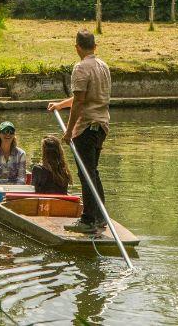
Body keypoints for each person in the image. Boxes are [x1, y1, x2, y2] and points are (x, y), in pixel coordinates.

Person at [48, 28, 111, 233]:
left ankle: (88, 219)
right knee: (92, 172)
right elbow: (81, 98)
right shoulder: (103, 66)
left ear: (77, 47)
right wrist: (59, 105)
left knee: (86, 174)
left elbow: (80, 103)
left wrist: (68, 131)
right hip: (101, 126)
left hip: (86, 127)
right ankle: (101, 217)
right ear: (95, 46)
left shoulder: (81, 68)